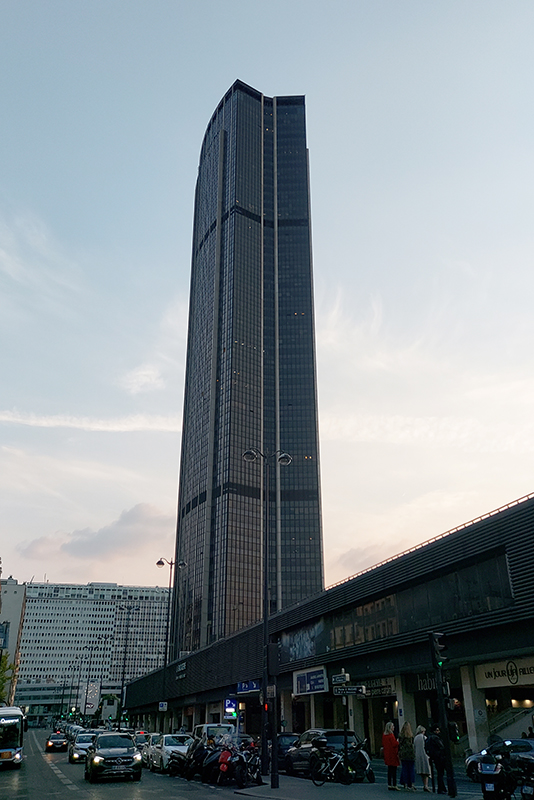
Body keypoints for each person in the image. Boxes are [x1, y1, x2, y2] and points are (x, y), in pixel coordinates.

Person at [425, 724, 446, 794]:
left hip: (433, 757)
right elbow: (441, 747)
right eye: (437, 730)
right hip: (439, 757)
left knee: (439, 773)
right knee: (441, 774)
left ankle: (442, 787)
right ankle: (441, 788)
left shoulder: (429, 738)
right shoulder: (436, 738)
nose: (438, 731)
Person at [383, 721, 401, 790]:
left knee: (389, 770)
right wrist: (397, 741)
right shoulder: (391, 735)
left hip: (387, 754)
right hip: (393, 754)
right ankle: (394, 784)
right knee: (394, 770)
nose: (394, 727)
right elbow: (394, 744)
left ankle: (389, 784)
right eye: (392, 726)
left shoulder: (384, 735)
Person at [399, 722, 416, 790]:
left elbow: (399, 745)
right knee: (411, 769)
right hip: (411, 754)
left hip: (404, 754)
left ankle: (405, 783)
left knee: (404, 768)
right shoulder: (411, 736)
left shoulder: (401, 736)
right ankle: (411, 784)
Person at [414, 725, 431, 792]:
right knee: (426, 771)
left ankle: (424, 784)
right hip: (424, 755)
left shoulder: (415, 738)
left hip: (418, 755)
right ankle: (426, 785)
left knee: (421, 771)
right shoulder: (424, 737)